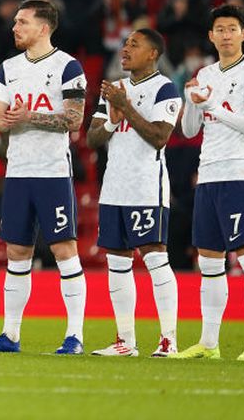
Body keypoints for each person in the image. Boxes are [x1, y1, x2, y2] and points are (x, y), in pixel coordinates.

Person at [0, 0, 88, 355]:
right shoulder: (8, 68)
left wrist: (28, 117)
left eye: (22, 22)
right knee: (16, 250)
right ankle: (10, 334)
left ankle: (74, 335)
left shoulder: (68, 67)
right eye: (15, 22)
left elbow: (74, 121)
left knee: (63, 248)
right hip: (18, 171)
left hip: (52, 172)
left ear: (44, 28)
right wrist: (8, 118)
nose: (15, 28)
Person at [174, 5, 244, 361]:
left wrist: (214, 103)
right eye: (220, 29)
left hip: (239, 175)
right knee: (210, 262)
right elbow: (188, 131)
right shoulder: (204, 73)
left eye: (233, 28)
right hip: (210, 174)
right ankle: (209, 344)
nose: (226, 35)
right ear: (211, 35)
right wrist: (192, 101)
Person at [84, 28, 183, 359]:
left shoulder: (165, 88)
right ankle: (125, 340)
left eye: (134, 45)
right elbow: (93, 140)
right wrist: (112, 120)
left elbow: (159, 137)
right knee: (116, 262)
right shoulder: (115, 89)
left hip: (146, 187)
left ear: (153, 53)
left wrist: (124, 107)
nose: (125, 49)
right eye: (125, 44)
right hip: (114, 188)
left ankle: (168, 339)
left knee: (155, 258)